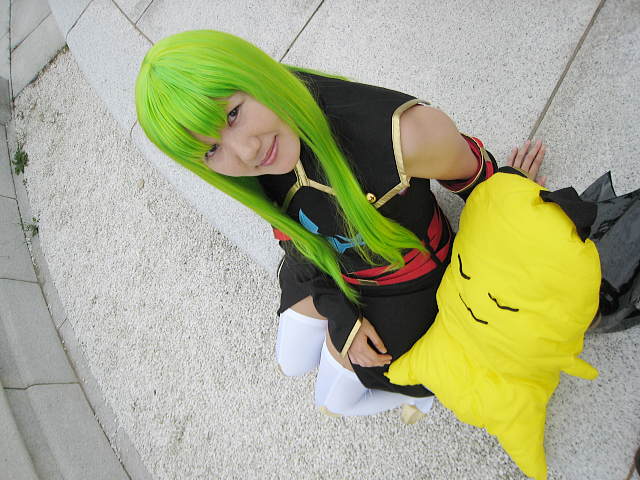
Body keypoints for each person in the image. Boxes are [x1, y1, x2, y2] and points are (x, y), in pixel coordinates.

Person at [135, 30, 546, 419]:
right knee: (291, 363)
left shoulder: (403, 136)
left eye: (233, 114)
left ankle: (420, 399)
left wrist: (512, 190)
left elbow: (474, 175)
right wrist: (339, 313)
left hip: (402, 282)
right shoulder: (257, 159)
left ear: (255, 74)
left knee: (334, 402)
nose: (246, 151)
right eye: (211, 150)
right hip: (325, 260)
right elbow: (295, 239)